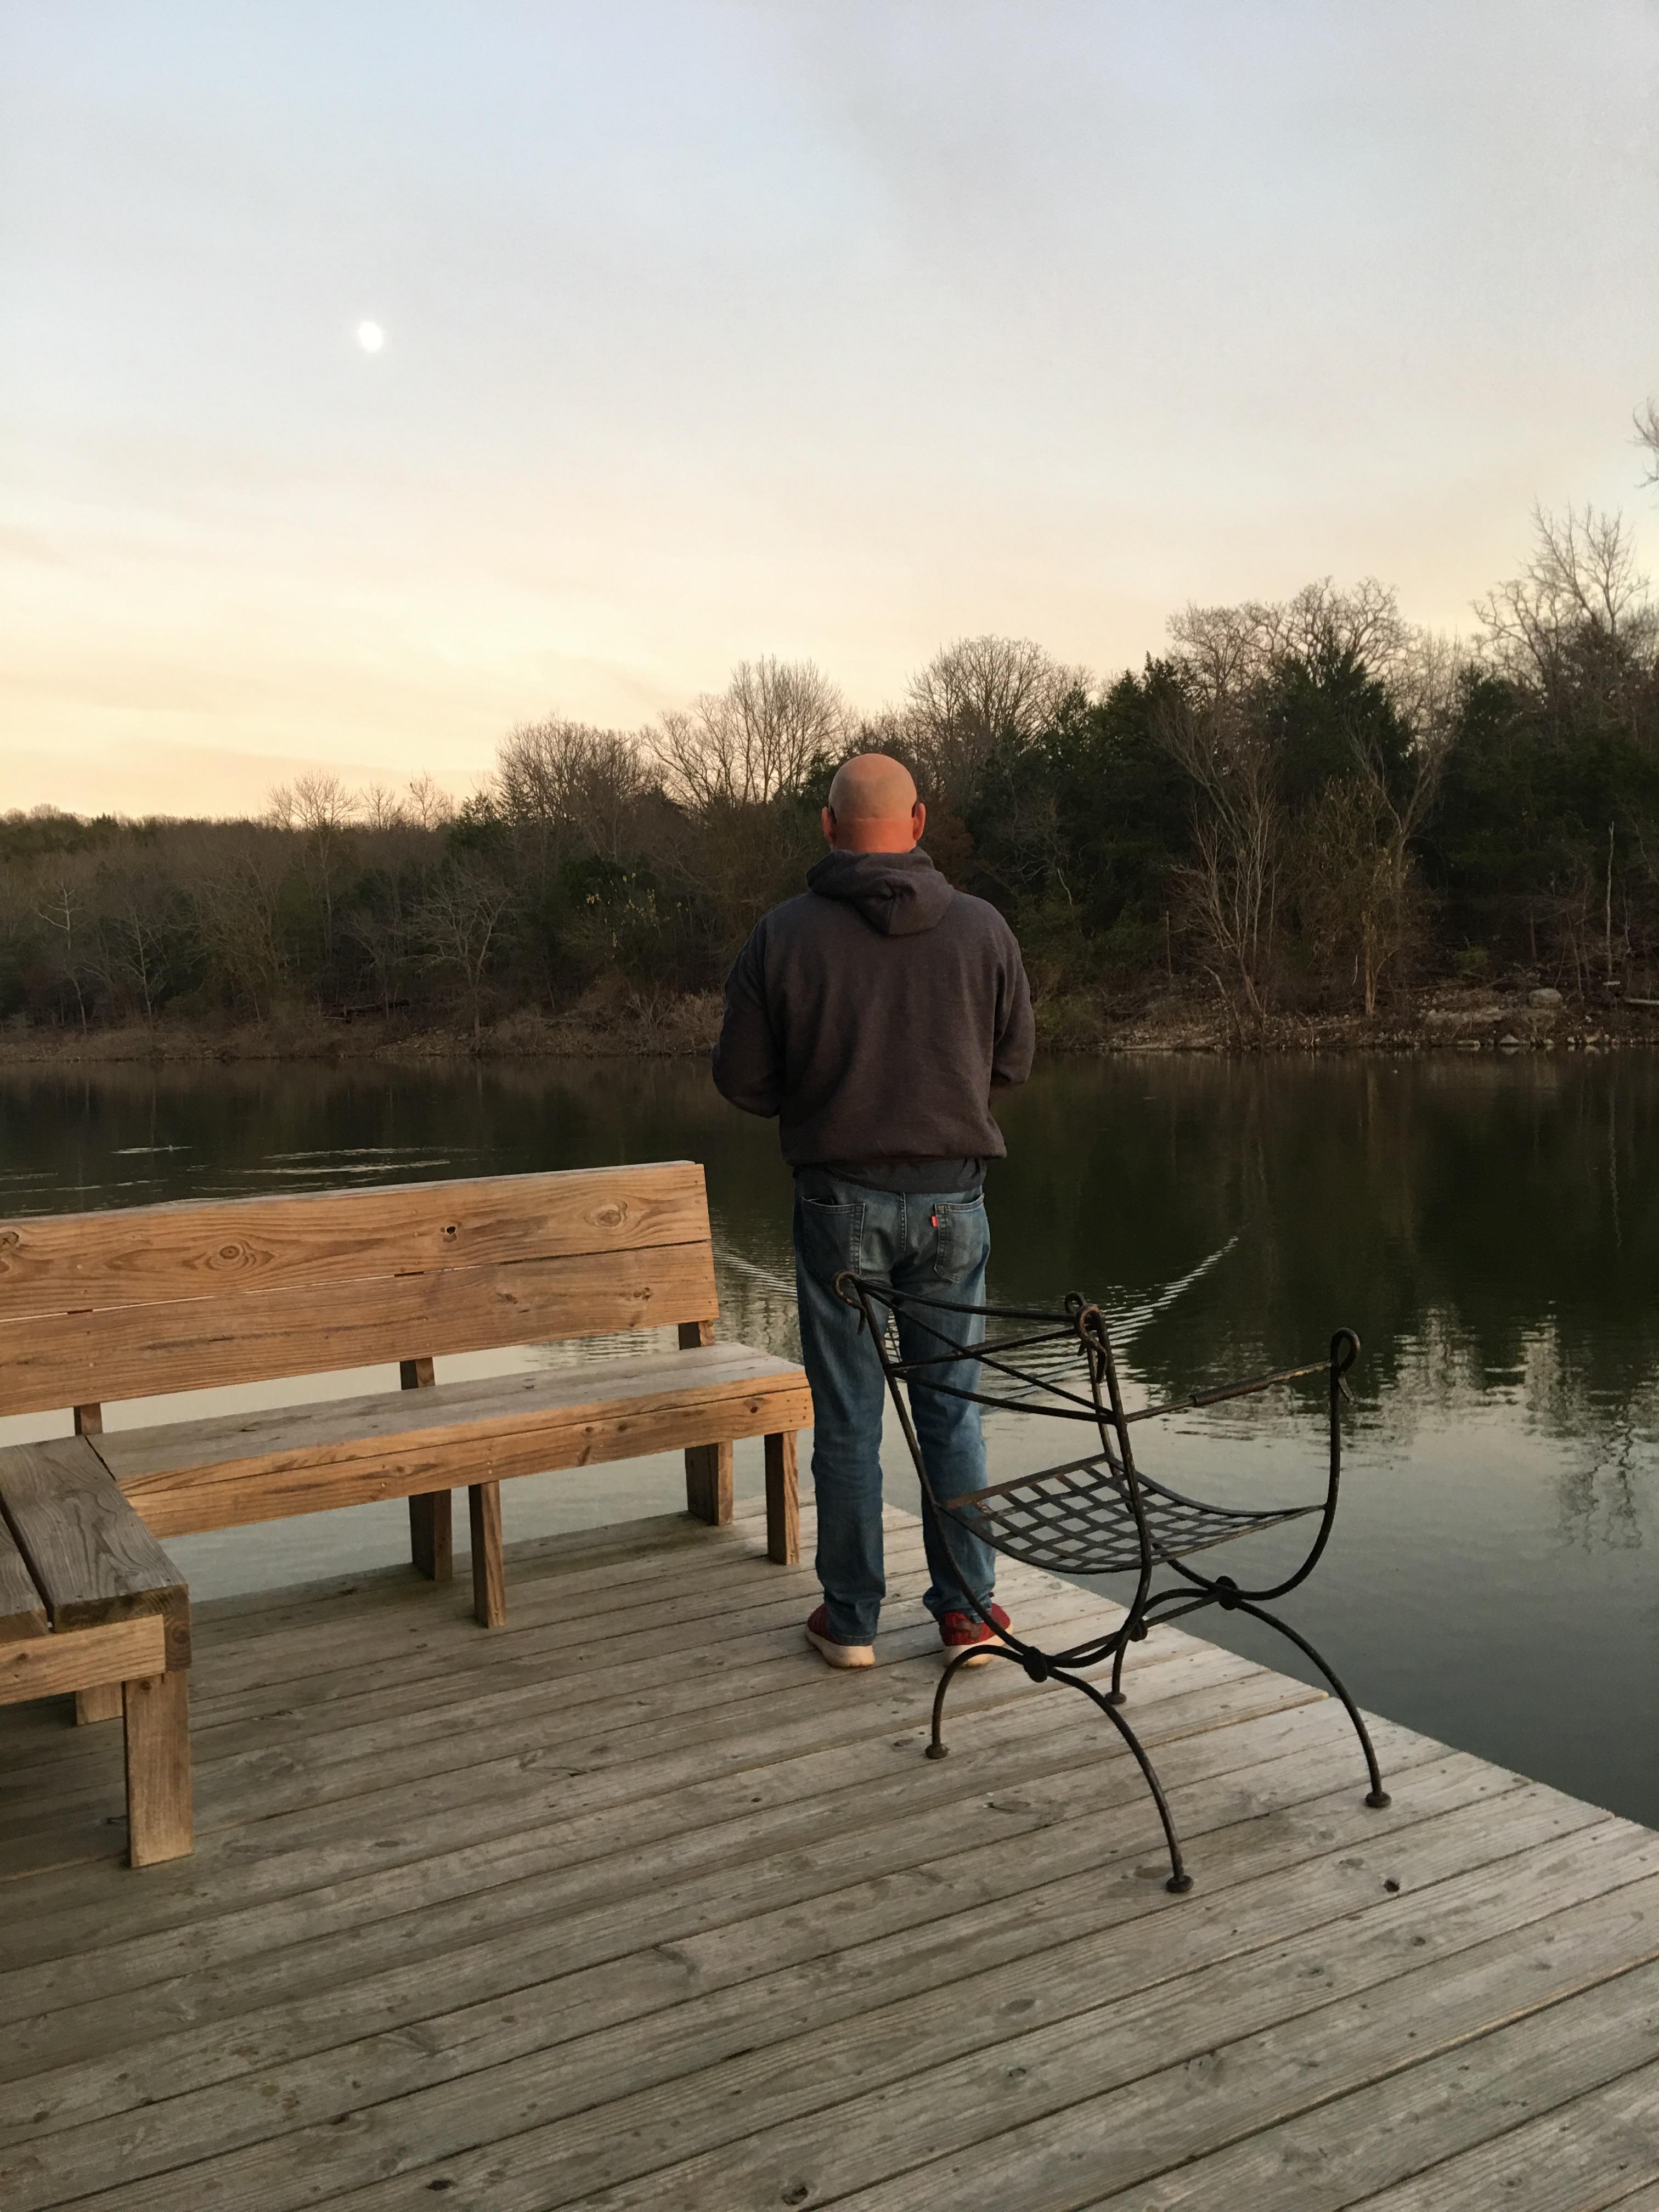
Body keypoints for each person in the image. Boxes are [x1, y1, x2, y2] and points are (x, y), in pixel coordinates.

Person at [712, 751, 1035, 1669]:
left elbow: (741, 1079)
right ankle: (968, 1612)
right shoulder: (985, 931)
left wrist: (822, 1094)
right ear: (919, 821)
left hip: (837, 1201)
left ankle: (852, 1619)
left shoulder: (782, 937)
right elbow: (1011, 1064)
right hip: (953, 1204)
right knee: (952, 1409)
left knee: (850, 1414)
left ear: (827, 828)